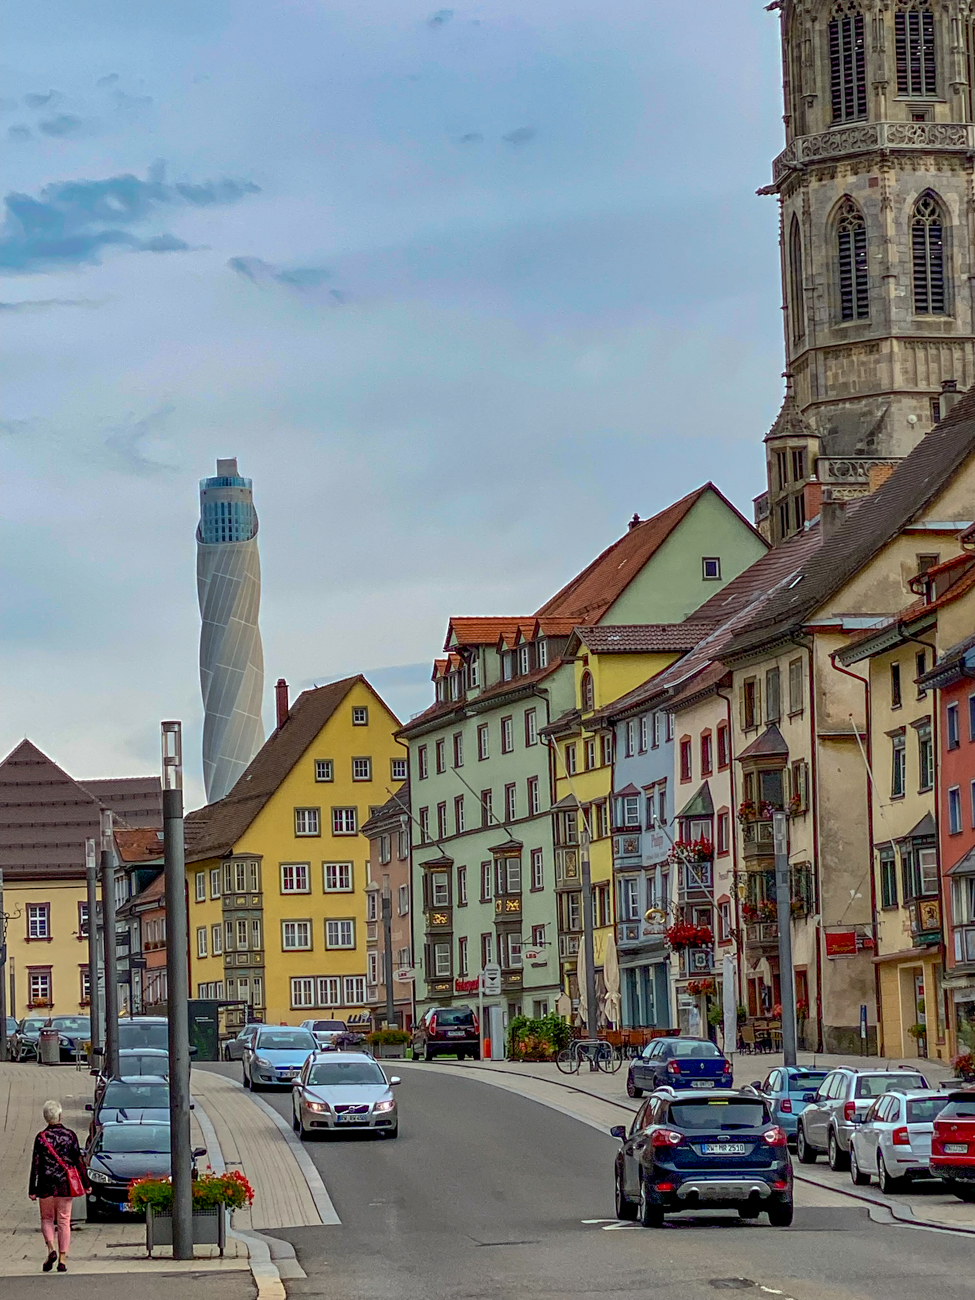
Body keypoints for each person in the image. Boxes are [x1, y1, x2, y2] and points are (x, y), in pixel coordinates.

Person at [28, 1100, 90, 1273]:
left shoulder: (41, 1138)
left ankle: (51, 1249)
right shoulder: (70, 1136)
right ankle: (62, 1259)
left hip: (46, 1185)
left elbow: (36, 1164)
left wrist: (32, 1189)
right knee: (64, 1220)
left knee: (47, 1218)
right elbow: (79, 1161)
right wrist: (86, 1184)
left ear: (46, 1118)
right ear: (60, 1115)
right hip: (64, 1184)